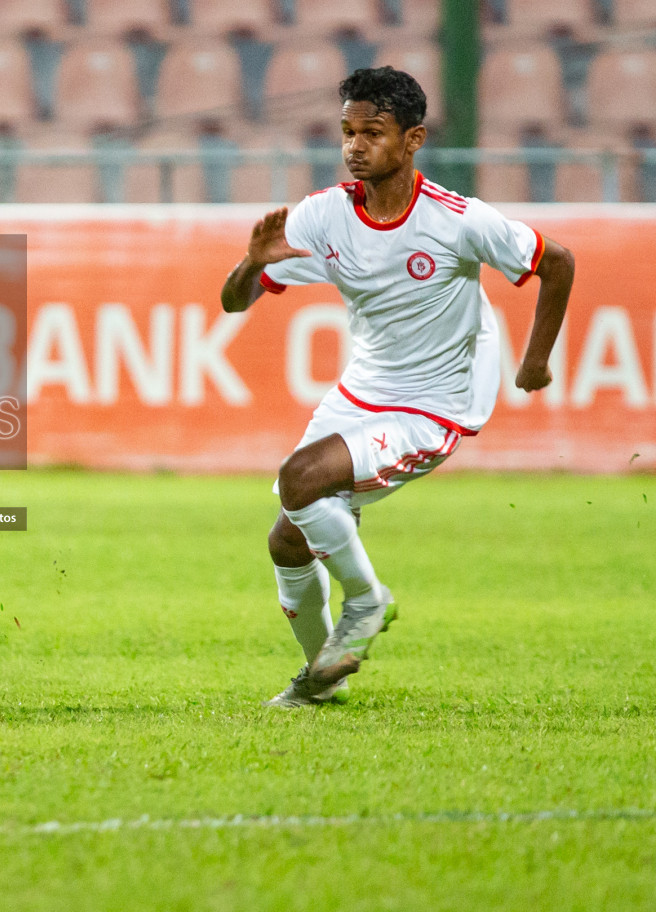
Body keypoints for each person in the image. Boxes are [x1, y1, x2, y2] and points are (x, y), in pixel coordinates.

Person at [220, 67, 575, 707]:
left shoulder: (458, 220)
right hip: (362, 390)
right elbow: (233, 303)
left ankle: (367, 600)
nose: (355, 146)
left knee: (300, 478)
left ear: (413, 140)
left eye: (372, 133)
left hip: (435, 405)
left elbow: (557, 263)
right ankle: (318, 681)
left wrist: (535, 362)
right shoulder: (324, 214)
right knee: (286, 539)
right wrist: (251, 262)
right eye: (347, 132)